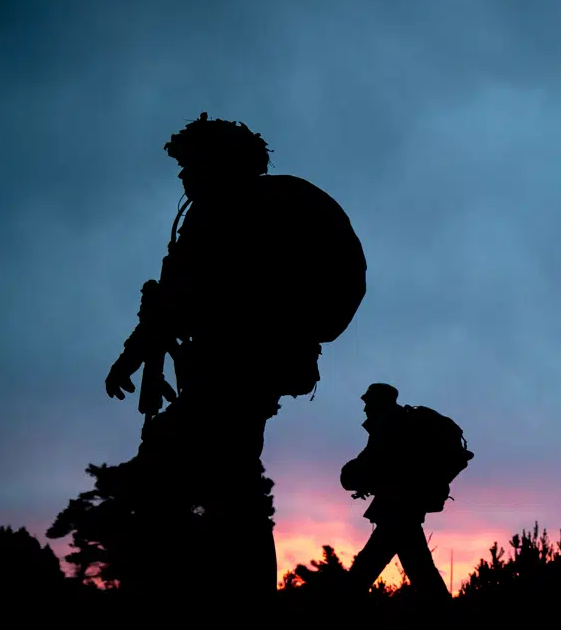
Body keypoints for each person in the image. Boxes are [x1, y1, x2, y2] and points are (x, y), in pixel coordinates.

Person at [103, 112, 366, 600]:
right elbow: (180, 302)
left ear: (219, 164)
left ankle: (189, 592)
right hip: (249, 372)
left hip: (234, 372)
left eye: (191, 166)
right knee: (232, 485)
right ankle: (233, 595)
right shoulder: (249, 210)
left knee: (172, 470)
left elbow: (181, 300)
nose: (183, 176)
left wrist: (133, 355)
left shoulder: (229, 216)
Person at [340, 383, 466, 601]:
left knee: (362, 575)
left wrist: (352, 475)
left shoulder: (390, 426)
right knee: (422, 574)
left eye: (367, 402)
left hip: (397, 511)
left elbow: (374, 463)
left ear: (380, 402)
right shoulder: (399, 424)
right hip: (404, 510)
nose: (364, 409)